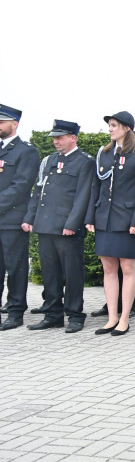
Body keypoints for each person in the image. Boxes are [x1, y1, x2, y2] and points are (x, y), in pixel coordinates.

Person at [86, 111, 135, 337]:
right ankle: (111, 317)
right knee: (108, 268)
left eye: (114, 125)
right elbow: (96, 187)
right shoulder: (104, 154)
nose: (110, 129)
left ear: (126, 128)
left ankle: (124, 317)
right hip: (104, 218)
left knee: (127, 268)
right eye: (110, 125)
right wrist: (90, 217)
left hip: (127, 221)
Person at [22, 119, 91, 333]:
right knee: (50, 272)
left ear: (73, 138)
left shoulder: (84, 162)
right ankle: (52, 313)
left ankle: (75, 314)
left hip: (66, 229)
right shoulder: (50, 160)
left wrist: (72, 224)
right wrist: (29, 217)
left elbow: (83, 196)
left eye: (60, 137)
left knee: (72, 273)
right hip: (45, 226)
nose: (55, 141)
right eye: (54, 138)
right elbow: (38, 191)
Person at [0, 104, 40, 331]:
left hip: (12, 220)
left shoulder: (26, 151)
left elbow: (21, 186)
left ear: (14, 124)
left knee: (15, 268)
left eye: (1, 122)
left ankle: (15, 311)